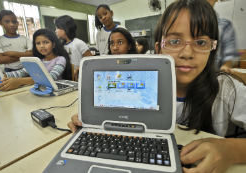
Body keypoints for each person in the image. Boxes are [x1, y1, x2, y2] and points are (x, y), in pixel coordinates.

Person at [68, 0, 246, 172]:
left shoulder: (227, 89)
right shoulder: (142, 84)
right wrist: (91, 119)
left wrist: (231, 150)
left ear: (212, 48)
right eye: (174, 41)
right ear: (158, 49)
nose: (187, 53)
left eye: (200, 42)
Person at [0, 29, 72, 91]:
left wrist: (20, 81)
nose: (42, 46)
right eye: (38, 43)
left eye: (46, 42)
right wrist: (1, 76)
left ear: (54, 44)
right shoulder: (38, 60)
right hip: (40, 91)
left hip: (54, 92)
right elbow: (21, 72)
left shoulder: (60, 59)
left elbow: (50, 78)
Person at [54, 15, 92, 82]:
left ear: (66, 29)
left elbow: (91, 61)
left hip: (80, 78)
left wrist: (78, 68)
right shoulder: (61, 46)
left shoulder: (78, 43)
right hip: (67, 78)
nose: (55, 31)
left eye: (57, 28)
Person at [207, 0, 239, 72]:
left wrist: (226, 66)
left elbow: (230, 55)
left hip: (213, 77)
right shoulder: (182, 22)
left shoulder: (225, 26)